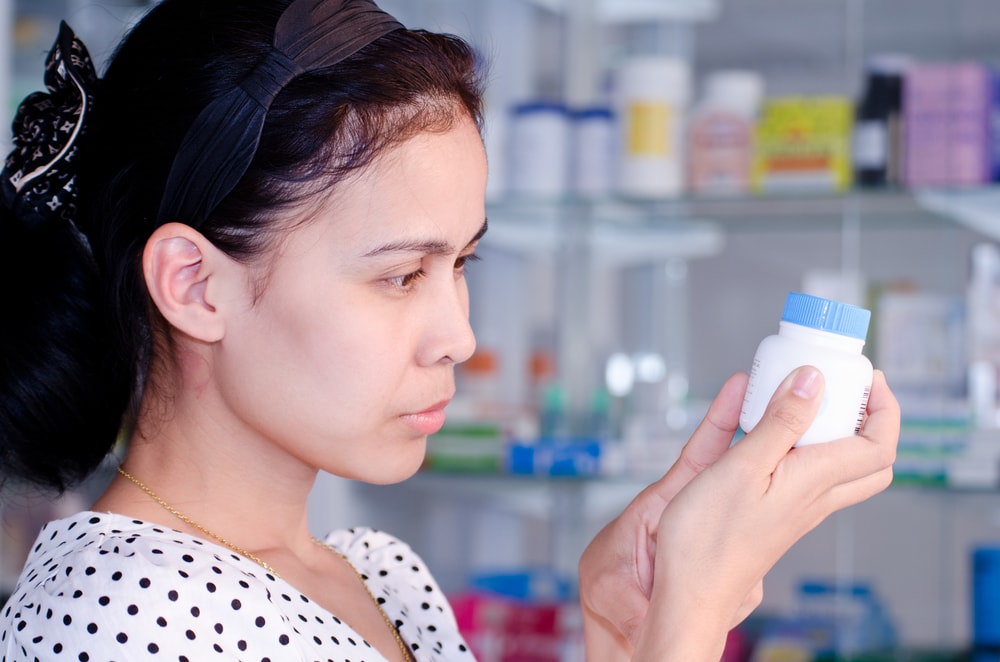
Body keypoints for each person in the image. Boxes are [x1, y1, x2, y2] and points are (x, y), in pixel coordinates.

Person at [0, 0, 899, 660]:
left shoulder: (380, 575)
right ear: (195, 285)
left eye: (461, 263)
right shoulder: (116, 611)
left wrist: (622, 633)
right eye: (401, 275)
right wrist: (691, 620)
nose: (459, 337)